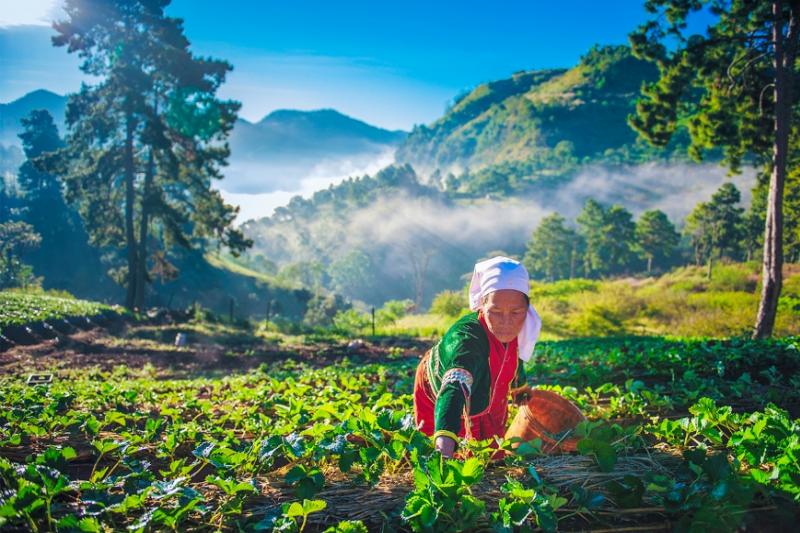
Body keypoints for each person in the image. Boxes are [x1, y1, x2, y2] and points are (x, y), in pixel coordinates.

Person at [413, 256, 542, 458]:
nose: (506, 322)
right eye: (496, 311)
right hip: (442, 386)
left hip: (488, 385)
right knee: (458, 455)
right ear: (482, 304)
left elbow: (514, 362)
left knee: (491, 454)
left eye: (516, 312)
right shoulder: (467, 339)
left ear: (527, 308)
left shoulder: (521, 329)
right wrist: (443, 452)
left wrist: (522, 391)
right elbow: (454, 388)